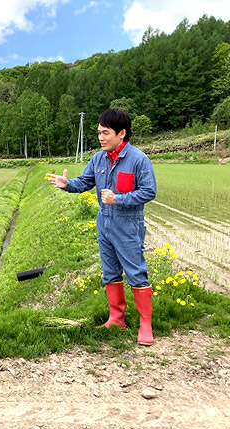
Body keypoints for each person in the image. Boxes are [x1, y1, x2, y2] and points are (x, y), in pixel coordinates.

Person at [46, 108, 157, 345]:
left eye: (105, 133)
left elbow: (149, 191)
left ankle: (145, 325)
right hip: (104, 223)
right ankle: (117, 318)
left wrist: (119, 198)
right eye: (99, 133)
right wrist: (67, 184)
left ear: (121, 133)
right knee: (110, 272)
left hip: (128, 225)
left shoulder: (139, 160)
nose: (101, 138)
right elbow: (85, 182)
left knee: (136, 272)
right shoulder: (98, 159)